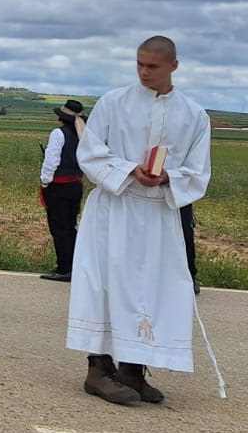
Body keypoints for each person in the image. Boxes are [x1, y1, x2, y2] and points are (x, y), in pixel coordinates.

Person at [66, 36, 210, 405]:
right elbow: (92, 153)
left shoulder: (194, 115)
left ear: (173, 66)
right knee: (105, 282)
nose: (144, 72)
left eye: (153, 66)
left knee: (154, 287)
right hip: (116, 208)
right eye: (140, 65)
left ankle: (133, 366)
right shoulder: (114, 103)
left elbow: (198, 172)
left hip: (159, 213)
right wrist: (131, 170)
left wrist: (167, 177)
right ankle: (98, 369)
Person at [39, 100, 85, 282]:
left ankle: (64, 268)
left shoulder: (58, 133)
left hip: (59, 186)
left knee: (59, 228)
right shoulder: (82, 134)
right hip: (76, 185)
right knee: (70, 227)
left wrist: (44, 182)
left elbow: (51, 161)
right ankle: (73, 265)